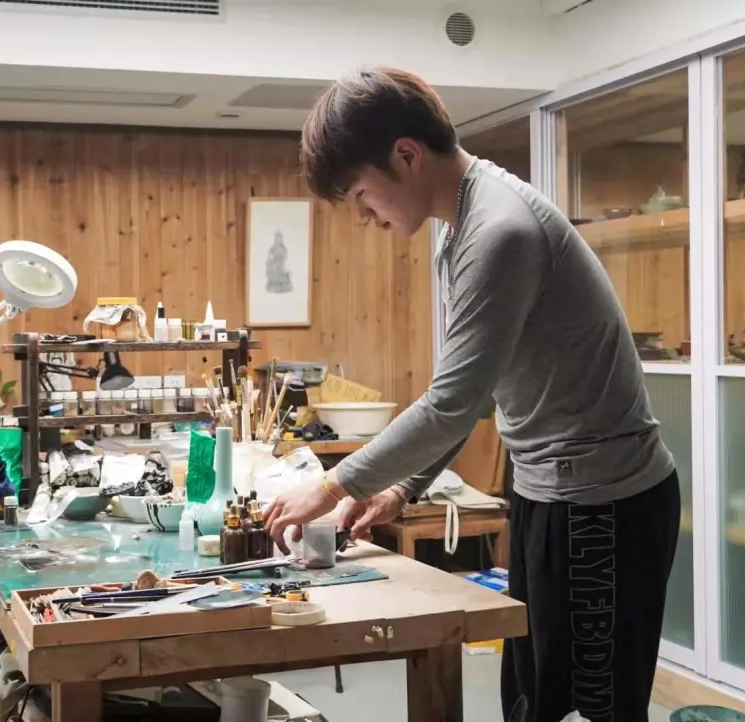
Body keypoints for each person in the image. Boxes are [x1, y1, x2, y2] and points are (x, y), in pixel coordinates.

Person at [262, 66, 680, 722]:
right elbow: (476, 392)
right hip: (547, 492)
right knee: (532, 702)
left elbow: (452, 402)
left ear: (407, 155)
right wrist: (403, 487)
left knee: (588, 712)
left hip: (603, 504)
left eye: (362, 195)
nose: (365, 217)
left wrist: (334, 484)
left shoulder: (500, 230)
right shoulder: (459, 230)